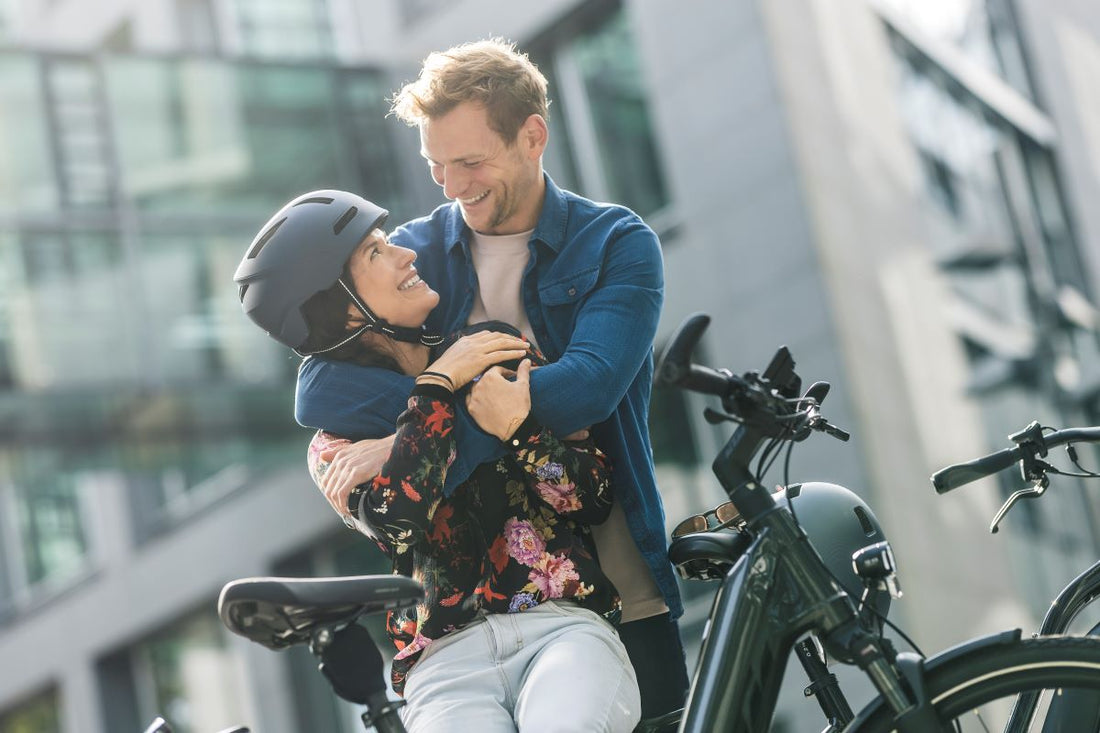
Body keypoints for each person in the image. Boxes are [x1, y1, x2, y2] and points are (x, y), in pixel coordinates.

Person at [295, 38, 690, 718]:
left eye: (470, 161)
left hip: (620, 587)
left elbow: (589, 384)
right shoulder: (418, 251)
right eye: (436, 165)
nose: (452, 186)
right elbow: (322, 389)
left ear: (532, 136)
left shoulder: (616, 244)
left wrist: (412, 440)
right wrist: (450, 392)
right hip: (464, 625)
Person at [234, 190, 641, 732]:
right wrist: (439, 385)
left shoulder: (495, 348)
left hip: (562, 628)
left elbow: (589, 497)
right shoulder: (333, 445)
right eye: (377, 253)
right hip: (444, 665)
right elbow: (398, 518)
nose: (405, 254)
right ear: (346, 309)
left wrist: (519, 432)